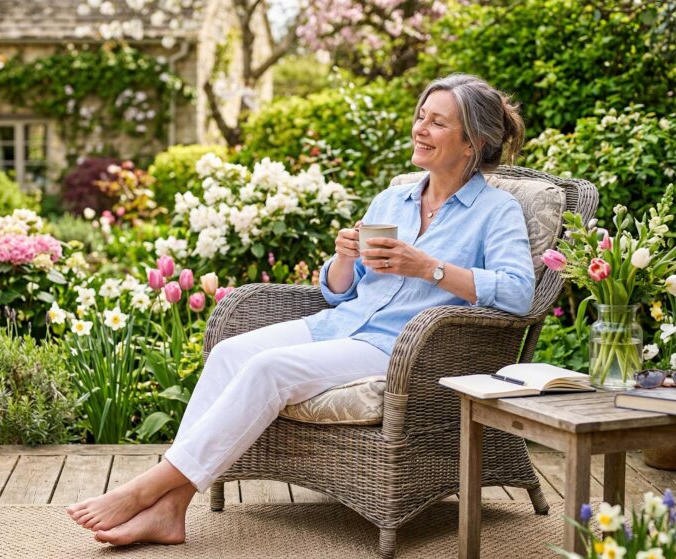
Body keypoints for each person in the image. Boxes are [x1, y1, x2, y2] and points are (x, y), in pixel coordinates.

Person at [66, 73, 536, 546]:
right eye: (420, 117)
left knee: (270, 369)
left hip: (401, 348)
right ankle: (171, 508)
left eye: (437, 123)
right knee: (230, 353)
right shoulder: (395, 197)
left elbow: (519, 292)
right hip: (340, 324)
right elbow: (338, 291)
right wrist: (345, 257)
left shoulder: (496, 211)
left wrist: (430, 268)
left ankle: (145, 490)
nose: (420, 129)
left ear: (472, 142)